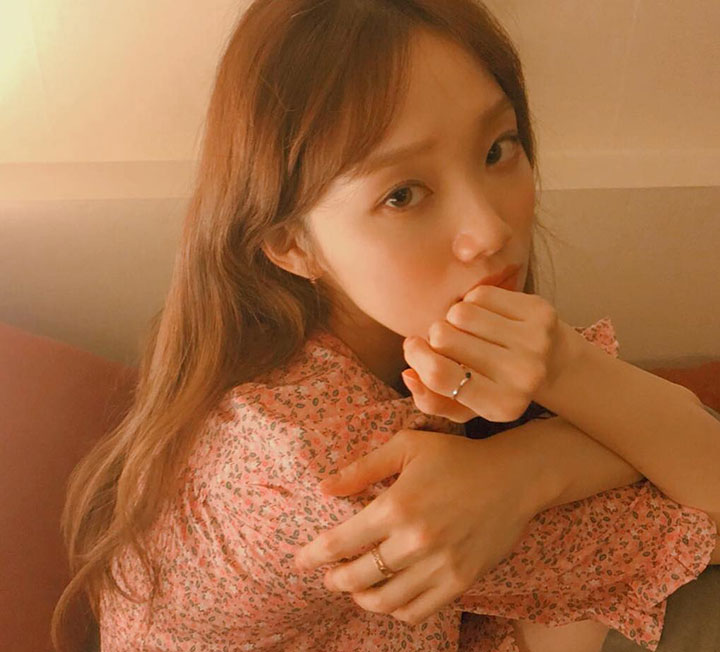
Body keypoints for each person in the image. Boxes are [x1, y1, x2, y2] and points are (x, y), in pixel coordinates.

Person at [50, 1, 720, 651]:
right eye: (402, 194)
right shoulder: (321, 463)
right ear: (292, 244)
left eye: (498, 148)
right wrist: (569, 402)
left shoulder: (371, 333)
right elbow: (702, 498)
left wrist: (527, 464)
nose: (490, 230)